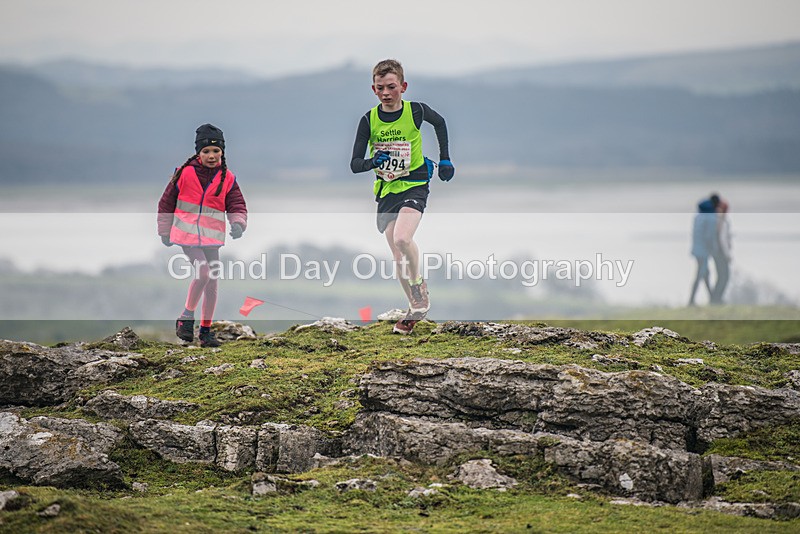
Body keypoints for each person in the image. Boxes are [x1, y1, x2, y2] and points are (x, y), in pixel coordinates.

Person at [350, 59, 454, 334]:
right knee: (398, 257)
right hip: (387, 191)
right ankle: (414, 311)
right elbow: (354, 164)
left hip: (415, 183)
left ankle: (419, 287)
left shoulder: (416, 111)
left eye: (392, 87)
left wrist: (445, 159)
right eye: (381, 88)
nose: (386, 92)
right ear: (374, 89)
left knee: (402, 238)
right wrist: (374, 161)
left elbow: (441, 123)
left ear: (403, 87)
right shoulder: (368, 120)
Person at [157, 124, 248, 347]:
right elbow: (166, 203)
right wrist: (164, 231)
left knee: (212, 282)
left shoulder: (228, 178)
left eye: (216, 151)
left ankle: (206, 332)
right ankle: (185, 318)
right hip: (186, 235)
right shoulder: (184, 173)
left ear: (223, 152)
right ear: (198, 152)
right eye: (206, 151)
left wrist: (238, 223)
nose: (211, 155)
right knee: (204, 272)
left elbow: (237, 204)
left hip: (212, 238)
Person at [688, 194, 719, 306]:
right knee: (701, 274)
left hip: (697, 249)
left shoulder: (699, 216)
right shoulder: (711, 217)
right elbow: (709, 236)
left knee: (705, 273)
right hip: (703, 250)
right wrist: (713, 249)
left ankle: (712, 298)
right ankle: (691, 300)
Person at [710, 197, 732, 304]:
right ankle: (716, 299)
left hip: (716, 252)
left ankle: (715, 298)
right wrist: (727, 255)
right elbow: (723, 239)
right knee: (725, 276)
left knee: (720, 276)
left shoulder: (715, 220)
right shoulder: (723, 222)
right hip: (721, 253)